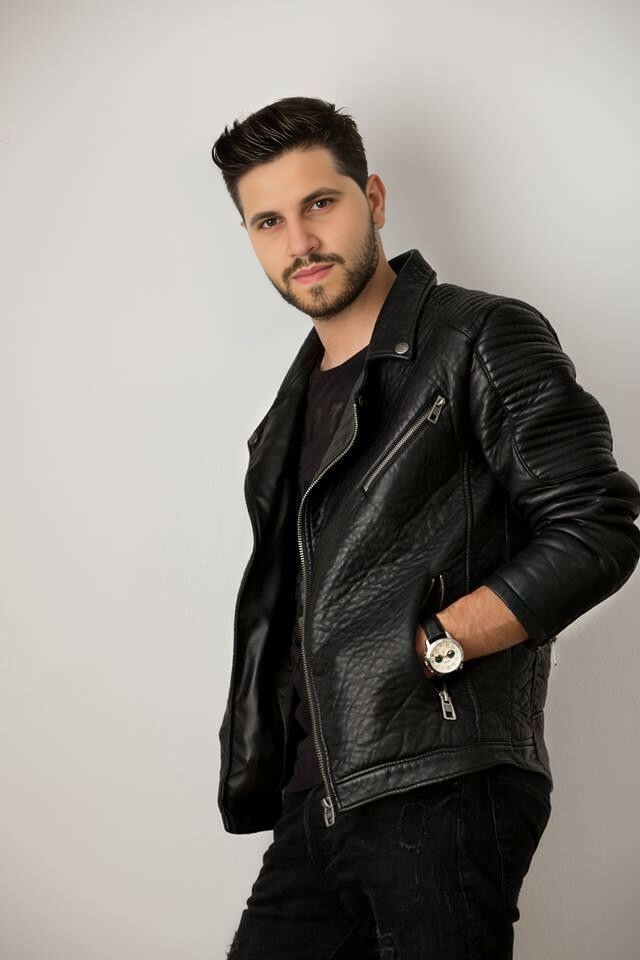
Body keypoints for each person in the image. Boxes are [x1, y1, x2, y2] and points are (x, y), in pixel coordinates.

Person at [210, 96, 640, 959]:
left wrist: (438, 643)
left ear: (372, 198)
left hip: (440, 784)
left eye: (320, 203)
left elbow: (597, 524)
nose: (301, 242)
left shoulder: (477, 335)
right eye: (269, 221)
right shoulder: (284, 418)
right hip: (317, 800)